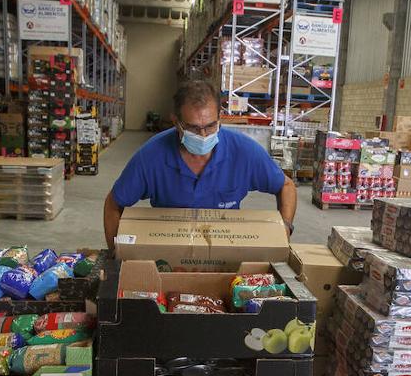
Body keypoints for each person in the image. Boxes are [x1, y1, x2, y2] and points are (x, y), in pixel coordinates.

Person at [103, 79, 297, 249]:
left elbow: (286, 186)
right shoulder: (151, 157)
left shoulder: (243, 152)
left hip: (225, 248)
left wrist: (285, 228)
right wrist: (116, 255)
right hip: (169, 250)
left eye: (210, 126)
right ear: (176, 122)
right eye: (193, 128)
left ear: (220, 118)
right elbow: (113, 204)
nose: (203, 135)